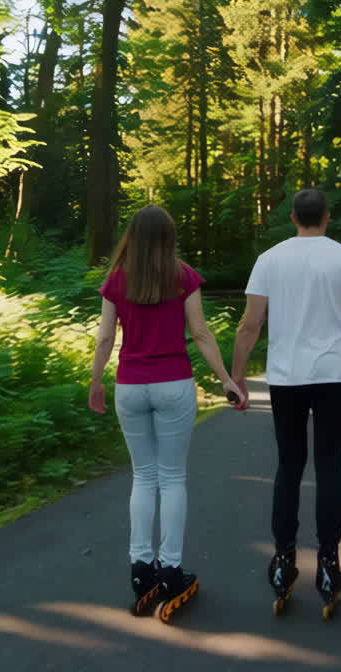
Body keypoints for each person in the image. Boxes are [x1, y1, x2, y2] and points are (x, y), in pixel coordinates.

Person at [231, 188, 341, 610]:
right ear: (327, 217)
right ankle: (329, 562)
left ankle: (283, 559)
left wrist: (237, 377)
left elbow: (250, 324)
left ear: (294, 217)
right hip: (334, 374)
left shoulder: (269, 259)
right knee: (329, 465)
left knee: (290, 464)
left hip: (287, 377)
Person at [88, 205, 243, 616]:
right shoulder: (183, 276)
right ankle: (171, 570)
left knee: (143, 476)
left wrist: (96, 381)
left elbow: (105, 338)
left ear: (132, 237)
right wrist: (226, 379)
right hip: (174, 384)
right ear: (169, 238)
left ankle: (141, 570)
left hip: (130, 386)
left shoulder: (117, 279)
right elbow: (201, 332)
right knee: (172, 478)